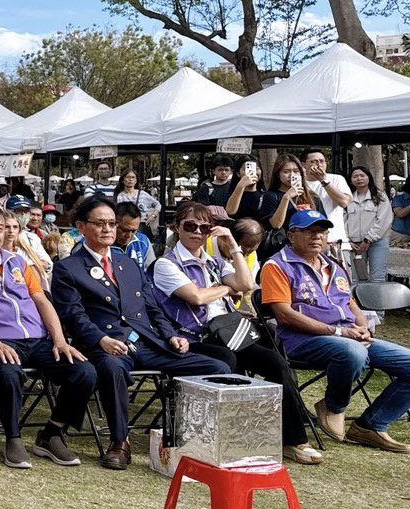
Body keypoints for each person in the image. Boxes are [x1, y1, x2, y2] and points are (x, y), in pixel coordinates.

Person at [50, 195, 230, 470]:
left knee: (217, 368)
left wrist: (170, 335)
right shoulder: (69, 268)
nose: (107, 229)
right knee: (111, 368)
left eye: (112, 223)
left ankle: (195, 439)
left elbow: (152, 307)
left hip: (147, 342)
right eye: (99, 224)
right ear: (81, 227)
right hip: (106, 344)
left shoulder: (128, 263)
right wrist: (101, 339)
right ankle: (119, 442)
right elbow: (73, 315)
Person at [150, 201, 322, 464]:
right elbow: (196, 297)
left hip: (227, 333)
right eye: (190, 226)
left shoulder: (214, 262)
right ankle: (236, 437)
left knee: (276, 363)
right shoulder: (166, 264)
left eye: (205, 228)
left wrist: (232, 245)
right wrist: (225, 289)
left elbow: (246, 283)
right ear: (176, 228)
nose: (198, 232)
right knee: (227, 361)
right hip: (191, 338)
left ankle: (294, 440)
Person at [0, 205, 95, 469]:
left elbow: (42, 301)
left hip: (38, 339)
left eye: (0, 228)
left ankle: (52, 433)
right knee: (8, 373)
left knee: (85, 371)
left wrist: (60, 340)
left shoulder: (18, 262)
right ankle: (13, 437)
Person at [261, 209, 410, 452]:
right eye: (309, 231)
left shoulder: (333, 265)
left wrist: (363, 327)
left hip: (348, 337)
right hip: (304, 341)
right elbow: (284, 314)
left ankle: (371, 425)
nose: (317, 236)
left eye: (322, 232)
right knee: (352, 352)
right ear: (291, 235)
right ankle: (334, 406)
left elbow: (350, 302)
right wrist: (339, 333)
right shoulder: (277, 266)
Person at [256, 154, 324, 263]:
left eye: (296, 171)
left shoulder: (312, 197)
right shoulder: (271, 196)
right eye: (286, 172)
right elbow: (276, 224)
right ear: (278, 174)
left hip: (308, 248)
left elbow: (323, 225)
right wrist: (286, 197)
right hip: (281, 249)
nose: (292, 175)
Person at [344, 165, 392, 282]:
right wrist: (348, 240)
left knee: (377, 278)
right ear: (350, 180)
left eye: (362, 175)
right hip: (354, 245)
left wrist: (368, 239)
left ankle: (376, 296)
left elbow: (384, 220)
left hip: (377, 242)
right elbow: (343, 221)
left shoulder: (380, 196)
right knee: (356, 279)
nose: (359, 178)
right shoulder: (347, 198)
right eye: (355, 176)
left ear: (369, 178)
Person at [302, 148, 352, 252]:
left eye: (322, 161)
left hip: (335, 240)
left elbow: (344, 202)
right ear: (303, 165)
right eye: (313, 161)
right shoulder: (299, 182)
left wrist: (323, 181)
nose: (319, 165)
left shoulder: (337, 179)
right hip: (306, 241)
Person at [112, 202, 155, 271]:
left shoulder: (143, 242)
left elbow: (151, 272)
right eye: (124, 230)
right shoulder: (102, 245)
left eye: (133, 231)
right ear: (113, 224)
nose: (128, 236)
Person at [225, 156, 267, 221]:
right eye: (247, 169)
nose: (252, 172)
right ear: (238, 173)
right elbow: (230, 211)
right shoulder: (231, 193)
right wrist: (241, 186)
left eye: (256, 169)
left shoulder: (265, 195)